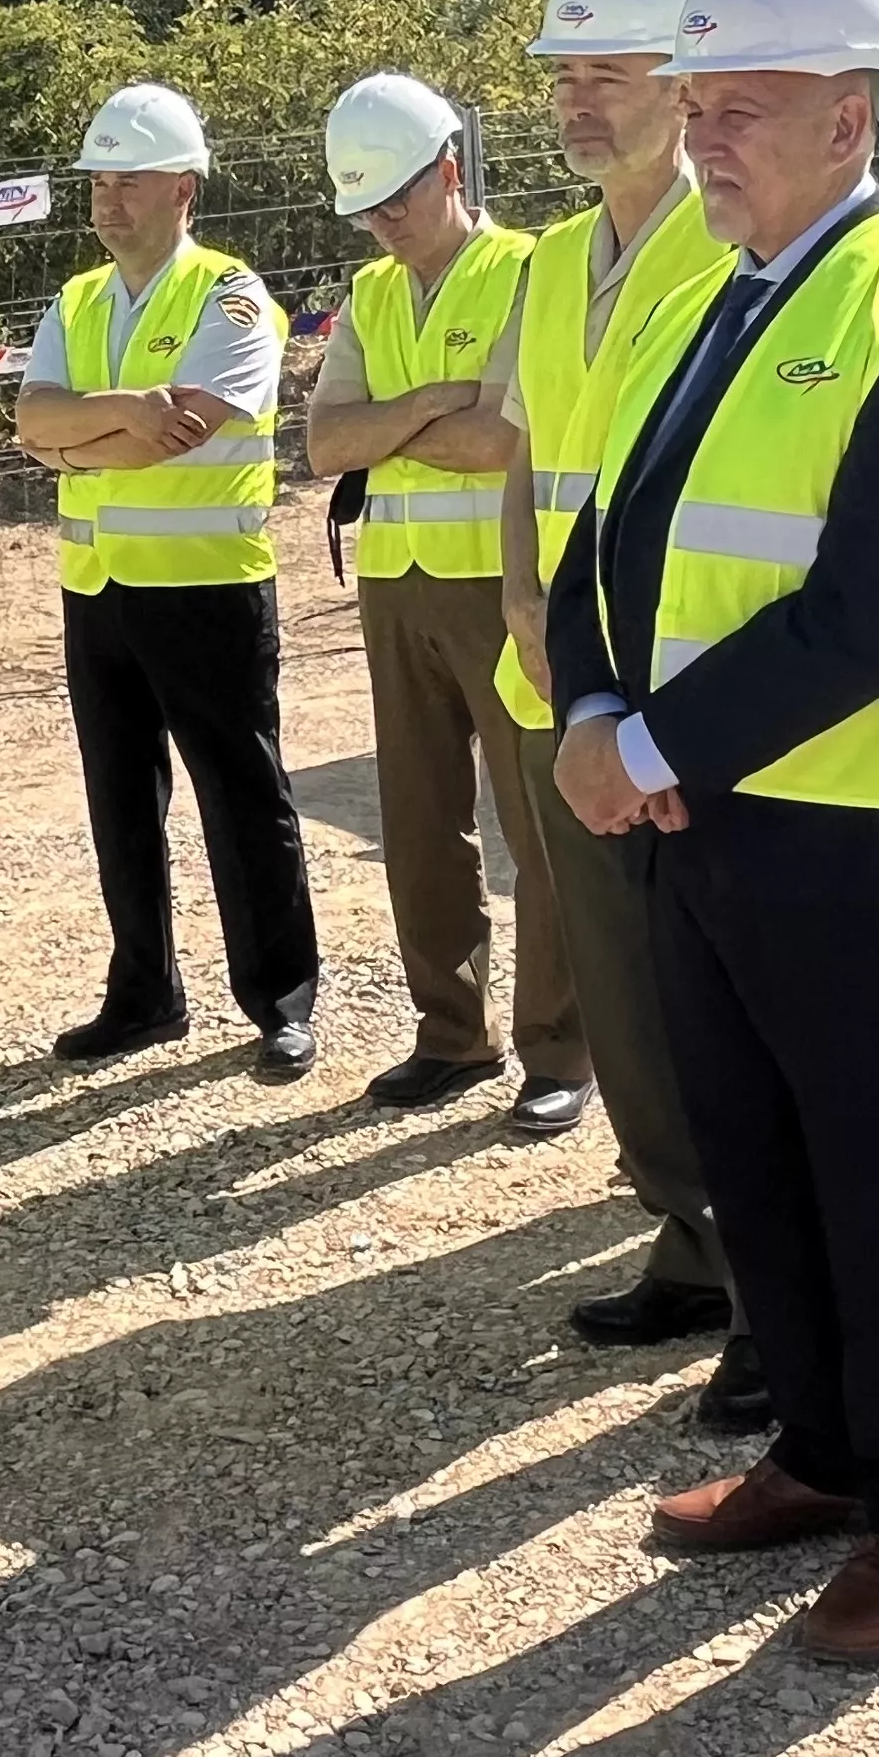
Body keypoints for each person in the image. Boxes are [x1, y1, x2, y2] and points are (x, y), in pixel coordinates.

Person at [544, 0, 879, 1665]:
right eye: (696, 108)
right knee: (757, 1159)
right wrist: (592, 705)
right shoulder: (699, 299)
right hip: (697, 810)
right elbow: (602, 536)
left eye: (740, 109)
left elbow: (877, 607)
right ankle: (821, 1448)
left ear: (849, 114)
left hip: (854, 820)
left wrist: (645, 749)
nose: (707, 139)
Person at [494, 0, 751, 1421]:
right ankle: (690, 1230)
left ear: (686, 83)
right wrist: (519, 592)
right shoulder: (549, 259)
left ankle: (761, 1259)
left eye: (609, 71)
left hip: (680, 682)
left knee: (712, 977)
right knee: (618, 977)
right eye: (564, 76)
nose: (579, 101)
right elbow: (532, 444)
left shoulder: (734, 248)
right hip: (562, 676)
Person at [12, 83, 326, 1077]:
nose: (108, 200)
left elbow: (178, 431)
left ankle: (280, 998)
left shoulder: (229, 296)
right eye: (99, 182)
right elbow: (30, 422)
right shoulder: (77, 300)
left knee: (242, 795)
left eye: (130, 181)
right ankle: (144, 992)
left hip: (205, 587)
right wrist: (118, 415)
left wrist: (76, 441)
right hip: (98, 588)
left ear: (184, 189)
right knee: (119, 800)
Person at [304, 72, 580, 1130]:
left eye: (397, 198)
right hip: (395, 582)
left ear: (450, 170)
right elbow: (326, 443)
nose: (382, 221)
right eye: (366, 207)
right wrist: (431, 403)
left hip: (500, 582)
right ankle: (452, 1035)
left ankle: (559, 1049)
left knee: (539, 820)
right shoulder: (371, 293)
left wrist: (388, 425)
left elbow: (504, 437)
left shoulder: (528, 271)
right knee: (420, 823)